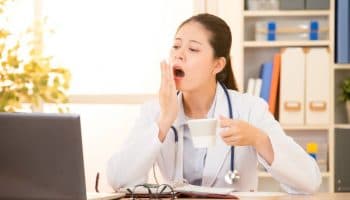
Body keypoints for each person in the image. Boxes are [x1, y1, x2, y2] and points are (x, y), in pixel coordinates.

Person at [107, 13, 321, 194]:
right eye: (176, 46)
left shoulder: (249, 109)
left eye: (193, 49)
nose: (179, 55)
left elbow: (309, 181)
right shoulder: (155, 110)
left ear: (217, 65)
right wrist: (163, 123)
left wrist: (258, 139)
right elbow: (118, 180)